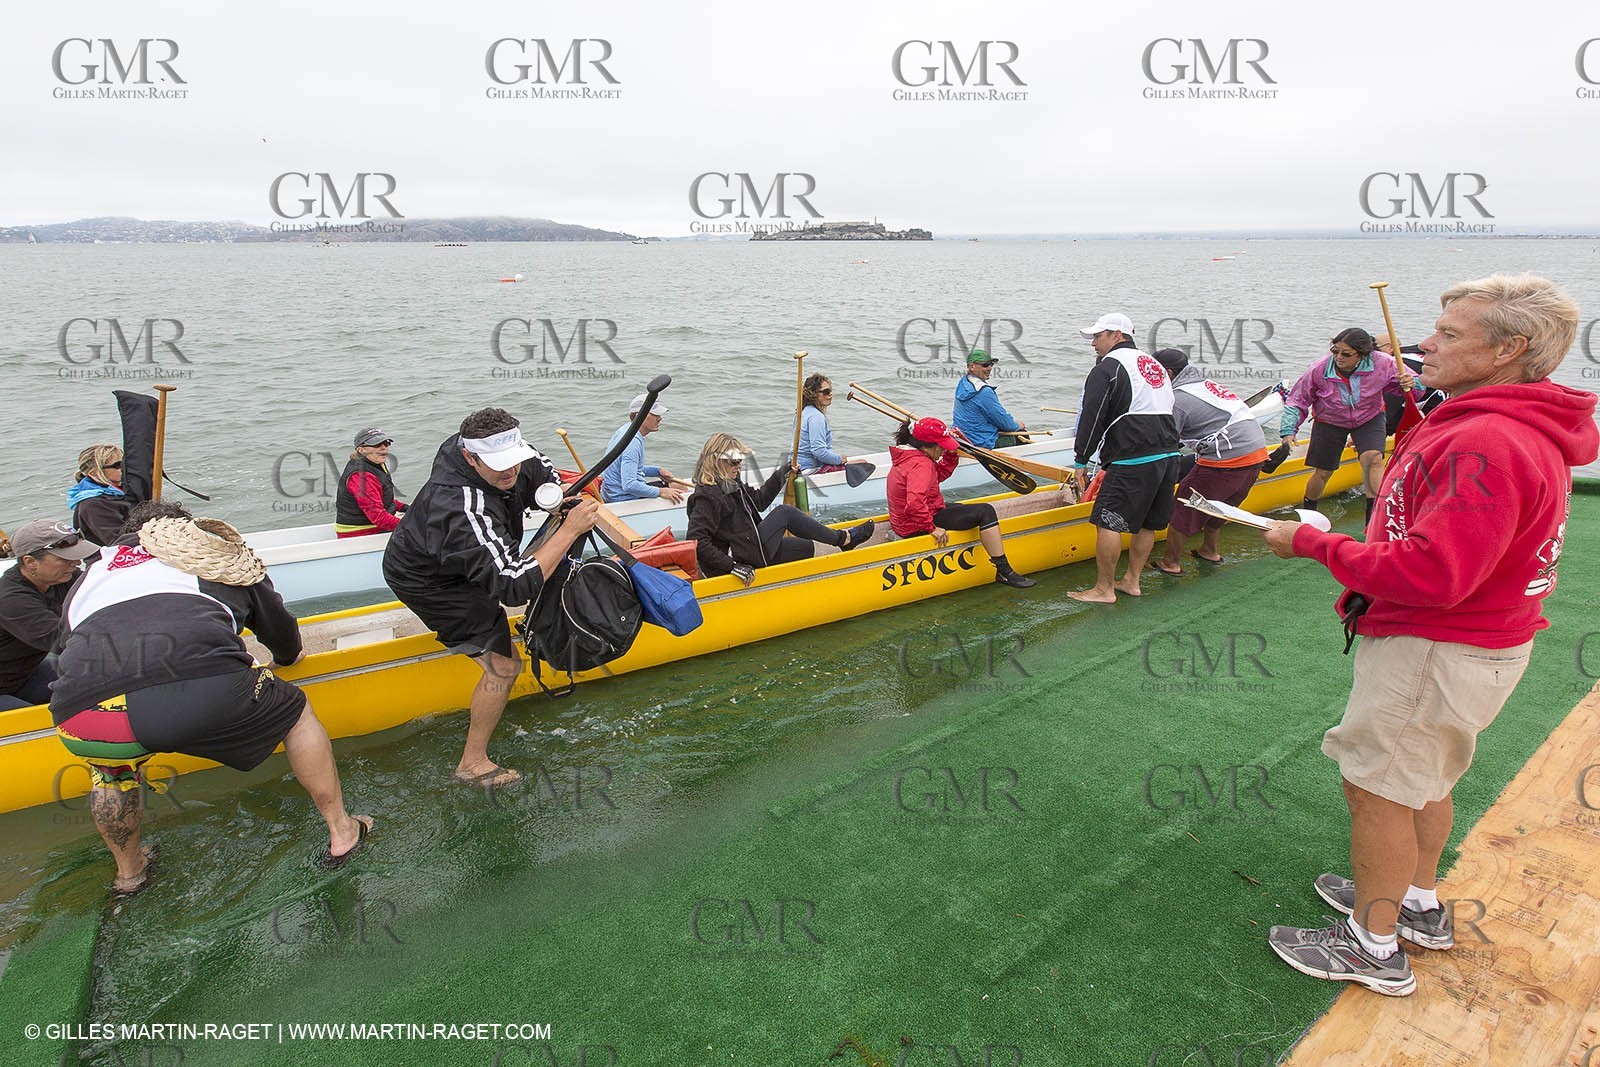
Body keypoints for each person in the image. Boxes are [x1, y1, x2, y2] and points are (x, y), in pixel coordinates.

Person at [1262, 274, 1599, 997]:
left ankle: (1372, 944)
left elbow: (1435, 572)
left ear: (1508, 348)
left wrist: (1314, 545)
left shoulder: (1491, 439)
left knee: (1378, 789)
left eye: (1449, 334)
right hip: (1477, 643)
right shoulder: (1501, 422)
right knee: (1425, 779)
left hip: (1436, 647)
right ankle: (1412, 902)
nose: (1423, 343)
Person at [50, 501, 372, 894]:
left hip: (81, 714)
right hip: (200, 688)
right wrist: (288, 658)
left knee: (111, 774)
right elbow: (281, 635)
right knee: (296, 710)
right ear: (187, 531)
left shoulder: (91, 574)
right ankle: (343, 832)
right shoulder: (214, 556)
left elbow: (67, 648)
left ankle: (130, 873)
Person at [382, 408, 600, 787]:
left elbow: (541, 469)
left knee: (506, 589)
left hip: (462, 556)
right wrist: (569, 532)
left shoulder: (507, 451)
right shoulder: (459, 504)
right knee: (503, 665)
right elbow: (513, 587)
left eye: (513, 462)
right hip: (429, 579)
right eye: (498, 466)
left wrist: (554, 497)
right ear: (468, 456)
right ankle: (472, 763)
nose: (509, 473)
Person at [1068, 314, 1181, 603]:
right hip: (1169, 453)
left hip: (1133, 456)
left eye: (1097, 336)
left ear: (1117, 334)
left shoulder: (1108, 368)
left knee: (1108, 521)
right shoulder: (1153, 364)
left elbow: (1092, 416)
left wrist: (1081, 460)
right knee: (1147, 523)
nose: (1093, 343)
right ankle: (1132, 581)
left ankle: (1104, 590)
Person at [685, 433, 874, 584]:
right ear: (716, 462)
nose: (739, 466)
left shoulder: (731, 481)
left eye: (740, 460)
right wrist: (732, 566)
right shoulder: (708, 496)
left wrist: (783, 472)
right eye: (734, 462)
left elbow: (759, 501)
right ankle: (844, 539)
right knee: (784, 512)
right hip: (740, 558)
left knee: (805, 548)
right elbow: (697, 541)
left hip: (749, 546)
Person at [1280, 328, 1424, 523]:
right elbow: (1297, 401)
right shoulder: (1320, 368)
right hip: (1329, 421)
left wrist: (1410, 383)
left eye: (1346, 354)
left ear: (1363, 354)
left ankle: (1374, 519)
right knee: (1323, 472)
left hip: (1369, 418)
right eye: (1335, 351)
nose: (1338, 357)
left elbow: (1417, 391)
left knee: (1373, 460)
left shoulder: (1384, 362)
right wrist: (1289, 431)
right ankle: (1310, 512)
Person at [1151, 349, 1270, 575]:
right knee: (1221, 505)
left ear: (1168, 372)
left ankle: (1170, 562)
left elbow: (1166, 441)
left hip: (1228, 457)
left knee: (1184, 504)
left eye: (1153, 374)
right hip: (1256, 452)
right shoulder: (1203, 384)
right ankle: (1209, 550)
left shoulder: (1178, 399)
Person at [886, 418, 1036, 589]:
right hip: (914, 526)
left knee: (959, 508)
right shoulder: (921, 464)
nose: (943, 449)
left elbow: (936, 476)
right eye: (941, 446)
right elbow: (914, 504)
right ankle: (1004, 571)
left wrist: (951, 453)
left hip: (905, 522)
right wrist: (932, 528)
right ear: (928, 445)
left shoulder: (908, 456)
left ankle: (989, 546)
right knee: (985, 511)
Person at [0, 520, 100, 711]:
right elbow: (65, 641)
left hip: (24, 674)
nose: (76, 563)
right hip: (6, 684)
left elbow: (105, 592)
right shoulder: (11, 600)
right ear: (30, 562)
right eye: (65, 559)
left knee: (93, 688)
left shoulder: (61, 577)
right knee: (40, 723)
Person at [600, 394, 684, 504]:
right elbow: (629, 485)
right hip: (623, 498)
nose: (659, 418)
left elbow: (627, 469)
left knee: (677, 485)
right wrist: (661, 491)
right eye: (655, 414)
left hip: (612, 494)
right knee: (680, 488)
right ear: (638, 416)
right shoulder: (632, 442)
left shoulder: (624, 431)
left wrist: (657, 471)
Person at [334, 427, 407, 538]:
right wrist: (411, 526)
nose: (384, 448)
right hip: (361, 534)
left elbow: (383, 499)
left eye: (386, 443)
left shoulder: (375, 463)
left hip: (374, 526)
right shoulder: (361, 477)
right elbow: (379, 517)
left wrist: (406, 508)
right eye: (377, 445)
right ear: (361, 450)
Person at [952, 349, 1027, 449]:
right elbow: (1004, 422)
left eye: (991, 364)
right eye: (985, 365)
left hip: (963, 440)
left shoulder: (963, 383)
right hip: (981, 443)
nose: (990, 368)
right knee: (1022, 433)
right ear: (971, 366)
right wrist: (1017, 425)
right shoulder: (983, 392)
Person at [67, 444, 131, 547]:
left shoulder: (124, 491)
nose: (124, 467)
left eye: (125, 462)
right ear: (95, 473)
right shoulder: (94, 504)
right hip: (110, 559)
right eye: (118, 465)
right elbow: (117, 541)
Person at [796, 373, 859, 474]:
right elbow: (818, 452)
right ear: (814, 394)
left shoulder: (802, 412)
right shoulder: (816, 417)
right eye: (826, 392)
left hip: (798, 466)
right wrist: (840, 459)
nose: (830, 394)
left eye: (830, 391)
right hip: (809, 468)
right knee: (863, 464)